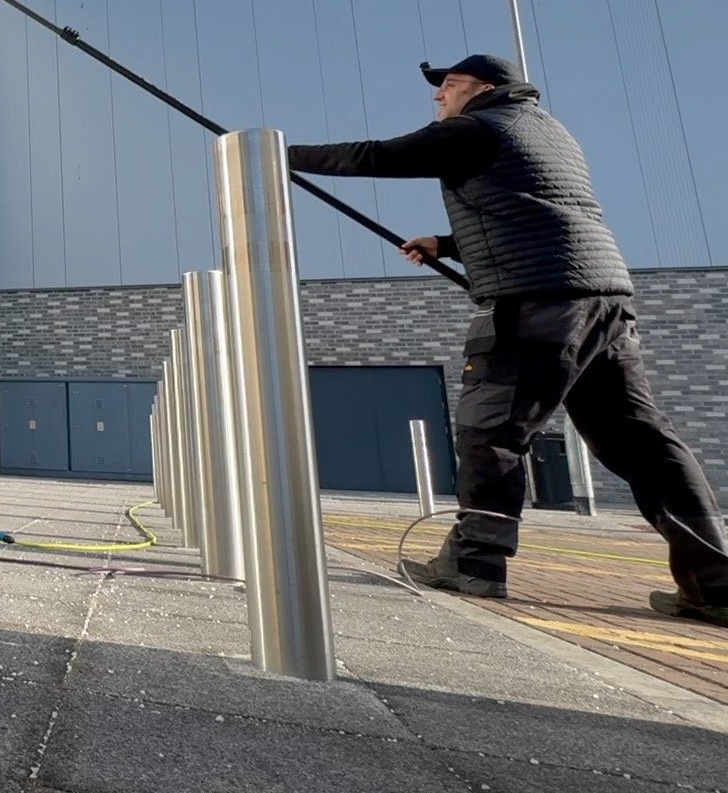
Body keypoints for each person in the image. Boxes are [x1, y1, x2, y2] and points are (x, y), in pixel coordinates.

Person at [286, 53, 728, 626]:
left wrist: (278, 152)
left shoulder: (478, 127)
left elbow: (376, 156)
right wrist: (447, 245)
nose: (437, 97)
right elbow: (534, 214)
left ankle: (475, 562)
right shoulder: (547, 132)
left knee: (490, 429)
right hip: (602, 302)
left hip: (538, 306)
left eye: (448, 84)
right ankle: (714, 584)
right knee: (645, 445)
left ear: (485, 88)